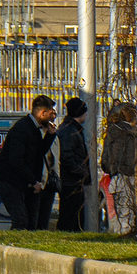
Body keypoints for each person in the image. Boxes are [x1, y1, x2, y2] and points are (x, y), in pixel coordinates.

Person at [0, 94, 56, 229]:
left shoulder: (34, 129)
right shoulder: (23, 129)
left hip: (23, 181)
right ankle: (13, 246)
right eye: (51, 113)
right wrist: (33, 181)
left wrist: (50, 135)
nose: (53, 117)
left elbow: (38, 153)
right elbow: (16, 160)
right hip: (9, 180)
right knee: (20, 219)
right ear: (42, 113)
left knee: (31, 221)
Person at [102, 102, 137, 231]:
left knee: (119, 212)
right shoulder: (132, 134)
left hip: (115, 178)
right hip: (129, 177)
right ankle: (126, 236)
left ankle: (120, 234)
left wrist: (113, 169)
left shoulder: (111, 133)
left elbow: (104, 162)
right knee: (129, 214)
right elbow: (132, 158)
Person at [55, 97, 92, 231]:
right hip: (71, 181)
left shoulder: (71, 128)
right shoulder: (69, 131)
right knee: (70, 217)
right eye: (84, 112)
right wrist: (82, 172)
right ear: (80, 113)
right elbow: (66, 158)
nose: (86, 115)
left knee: (74, 216)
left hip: (72, 180)